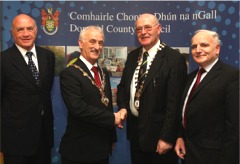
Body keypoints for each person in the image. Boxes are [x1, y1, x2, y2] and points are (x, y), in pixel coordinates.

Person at [117, 13, 187, 164]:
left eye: (148, 27)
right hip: (136, 135)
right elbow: (123, 88)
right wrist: (122, 107)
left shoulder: (174, 59)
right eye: (139, 29)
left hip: (160, 139)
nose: (143, 32)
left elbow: (174, 104)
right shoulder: (132, 56)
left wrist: (167, 138)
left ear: (159, 29)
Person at [59, 26, 122, 164]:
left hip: (102, 148)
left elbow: (107, 105)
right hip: (79, 151)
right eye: (92, 42)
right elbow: (78, 108)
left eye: (100, 43)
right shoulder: (70, 74)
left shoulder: (103, 72)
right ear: (81, 43)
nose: (97, 47)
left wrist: (112, 137)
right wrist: (112, 118)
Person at [174, 29, 239, 164]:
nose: (198, 50)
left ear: (217, 49)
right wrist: (180, 136)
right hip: (189, 153)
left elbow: (234, 127)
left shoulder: (232, 76)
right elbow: (186, 111)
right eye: (194, 46)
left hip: (214, 157)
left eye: (204, 45)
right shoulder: (190, 78)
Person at [1, 14, 55, 164]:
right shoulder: (3, 60)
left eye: (29, 29)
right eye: (20, 30)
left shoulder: (48, 57)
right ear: (12, 33)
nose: (26, 34)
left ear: (36, 31)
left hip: (43, 137)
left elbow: (44, 92)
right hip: (15, 142)